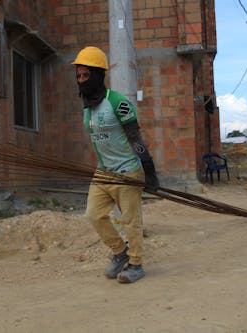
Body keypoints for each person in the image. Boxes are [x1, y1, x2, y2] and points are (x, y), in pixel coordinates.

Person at [72, 46, 160, 283]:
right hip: (103, 173)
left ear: (98, 75)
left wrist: (149, 171)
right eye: (79, 76)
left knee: (131, 221)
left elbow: (136, 140)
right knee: (94, 215)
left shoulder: (118, 102)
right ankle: (120, 253)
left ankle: (136, 264)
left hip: (127, 171)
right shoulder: (87, 108)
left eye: (86, 76)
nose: (81, 81)